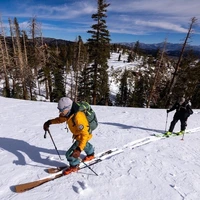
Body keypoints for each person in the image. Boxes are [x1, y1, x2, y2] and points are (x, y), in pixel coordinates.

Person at [43, 97, 95, 175]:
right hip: (79, 134)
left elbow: (84, 135)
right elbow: (60, 119)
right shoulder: (68, 113)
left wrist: (78, 149)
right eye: (59, 110)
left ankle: (74, 166)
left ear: (67, 108)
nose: (60, 112)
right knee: (85, 144)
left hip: (83, 135)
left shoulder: (78, 117)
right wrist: (49, 122)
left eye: (61, 110)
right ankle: (91, 154)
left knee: (70, 154)